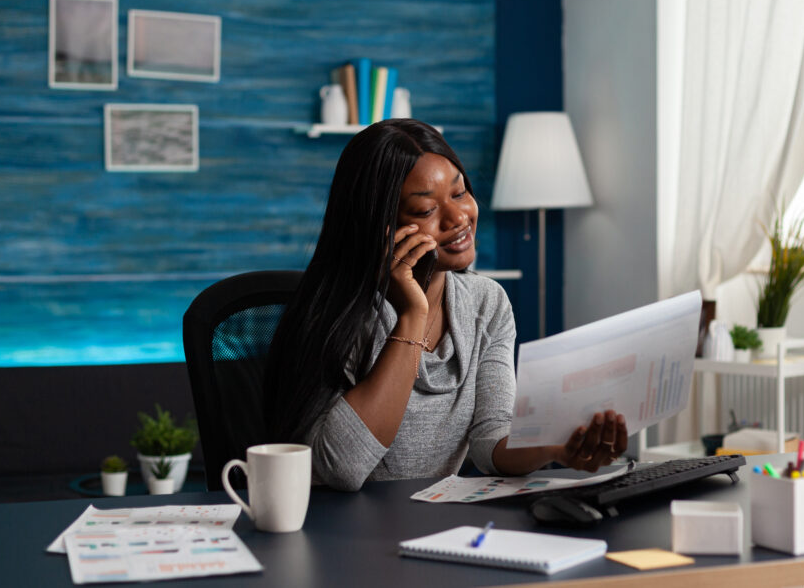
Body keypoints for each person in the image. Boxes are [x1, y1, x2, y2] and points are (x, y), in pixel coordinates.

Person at [264, 119, 627, 491]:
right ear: (380, 225)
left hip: (433, 518)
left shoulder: (487, 303)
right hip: (336, 523)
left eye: (459, 192)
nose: (458, 218)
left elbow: (491, 439)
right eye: (425, 211)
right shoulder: (337, 315)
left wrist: (556, 446)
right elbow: (342, 468)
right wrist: (412, 315)